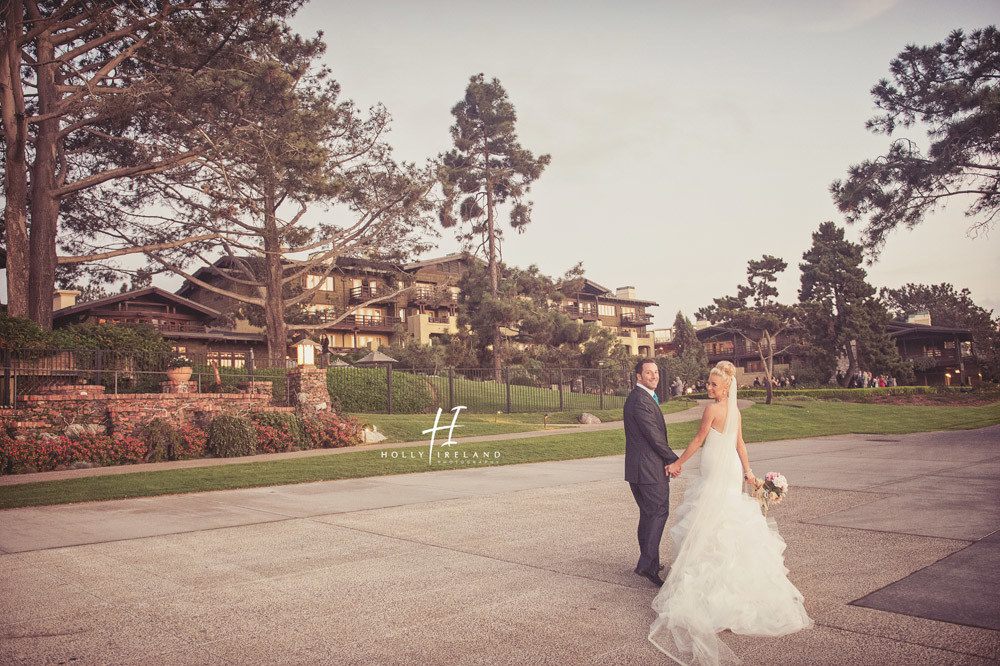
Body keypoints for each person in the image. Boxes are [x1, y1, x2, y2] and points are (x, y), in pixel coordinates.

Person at [649, 361, 812, 665]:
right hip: (730, 470)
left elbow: (699, 440)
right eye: (708, 384)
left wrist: (677, 463)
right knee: (727, 515)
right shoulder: (734, 412)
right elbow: (739, 444)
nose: (708, 388)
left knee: (711, 518)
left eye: (712, 385)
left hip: (716, 473)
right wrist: (748, 472)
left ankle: (707, 589)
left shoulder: (713, 410)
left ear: (725, 388)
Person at [624, 358, 680, 587]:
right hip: (648, 470)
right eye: (649, 373)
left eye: (656, 372)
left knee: (649, 515)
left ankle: (651, 563)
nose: (654, 376)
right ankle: (647, 564)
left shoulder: (644, 397)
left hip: (640, 470)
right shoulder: (640, 400)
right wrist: (673, 459)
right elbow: (653, 436)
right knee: (658, 513)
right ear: (639, 376)